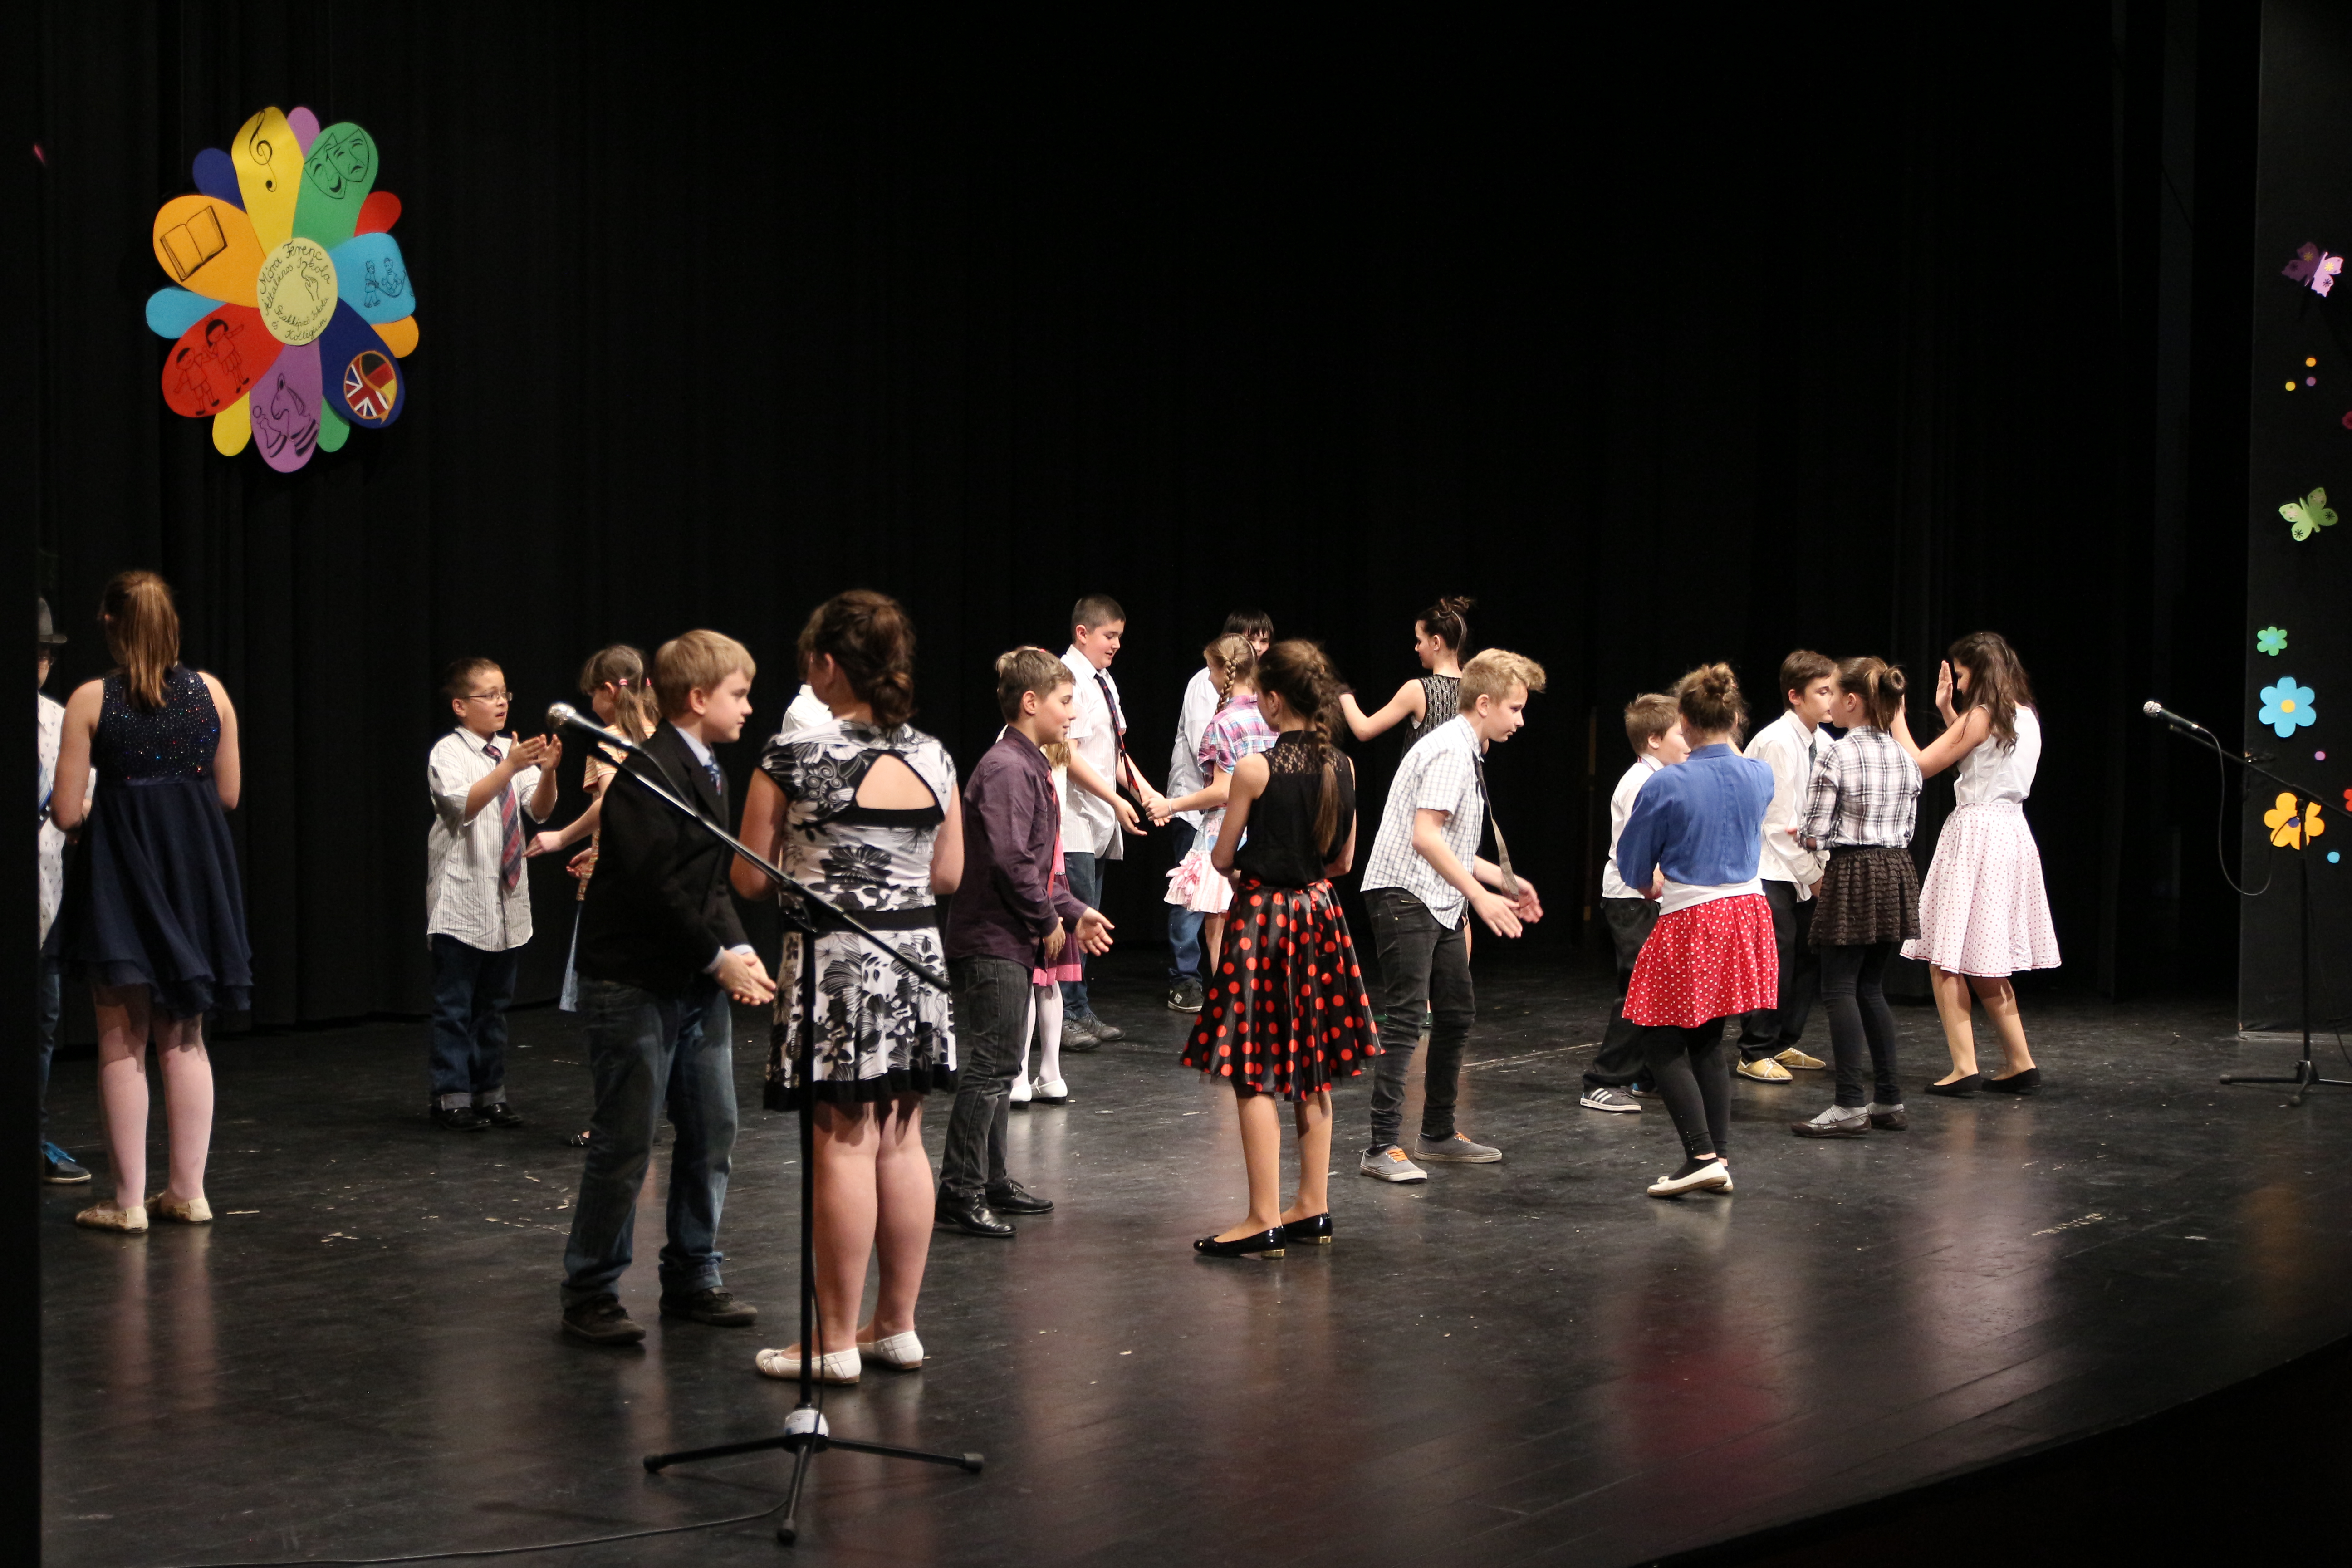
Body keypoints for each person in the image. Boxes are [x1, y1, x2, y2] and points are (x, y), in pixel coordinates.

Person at [734, 591, 963, 1385]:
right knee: (902, 1137)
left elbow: (747, 876)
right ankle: (895, 1327)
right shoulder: (934, 755)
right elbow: (948, 873)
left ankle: (831, 1341)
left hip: (839, 962)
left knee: (842, 1140)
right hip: (916, 960)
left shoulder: (794, 754)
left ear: (827, 664)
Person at [559, 630, 775, 1346]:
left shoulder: (708, 768)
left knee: (713, 1128)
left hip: (691, 981)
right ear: (698, 698)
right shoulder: (648, 773)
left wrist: (739, 948)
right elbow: (657, 891)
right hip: (634, 983)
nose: (749, 708)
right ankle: (591, 1290)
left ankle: (693, 1274)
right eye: (739, 694)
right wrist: (718, 960)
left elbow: (708, 883)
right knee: (626, 1141)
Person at [50, 572, 251, 1231]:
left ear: (111, 622)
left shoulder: (90, 700)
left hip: (121, 874)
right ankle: (189, 1193)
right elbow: (228, 795)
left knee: (121, 1038)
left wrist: (108, 810)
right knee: (185, 1033)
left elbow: (65, 812)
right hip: (194, 872)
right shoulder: (212, 694)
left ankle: (128, 1202)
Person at [1182, 640, 1377, 1257]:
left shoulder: (1255, 769)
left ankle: (1263, 1218)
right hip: (1320, 917)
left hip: (1265, 920)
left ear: (1270, 699)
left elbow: (1221, 857)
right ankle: (1312, 1206)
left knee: (1255, 1069)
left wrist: (1252, 868)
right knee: (1312, 1065)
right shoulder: (1344, 767)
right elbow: (1343, 862)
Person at [937, 647, 1115, 1239]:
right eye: (1066, 701)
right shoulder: (1007, 768)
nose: (1073, 713)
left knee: (1002, 1064)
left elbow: (1038, 866)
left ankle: (990, 1179)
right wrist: (1047, 920)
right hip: (992, 937)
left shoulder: (1031, 764)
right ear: (1031, 702)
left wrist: (1075, 912)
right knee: (992, 1066)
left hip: (1009, 935)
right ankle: (959, 1190)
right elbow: (1012, 862)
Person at [1356, 647, 1546, 1182]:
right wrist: (1479, 897)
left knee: (1456, 1012)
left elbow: (1450, 843)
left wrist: (1504, 881)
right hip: (1404, 893)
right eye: (1514, 709)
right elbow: (1425, 837)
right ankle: (1381, 1146)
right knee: (1407, 1018)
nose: (1520, 721)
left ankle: (1437, 1133)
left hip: (1434, 894)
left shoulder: (1466, 749)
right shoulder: (1448, 751)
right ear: (1484, 704)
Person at [1611, 663, 1777, 1198]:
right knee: (1707, 1037)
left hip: (1695, 915)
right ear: (1735, 718)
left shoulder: (1668, 783)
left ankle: (1702, 1156)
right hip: (1748, 912)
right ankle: (1717, 1158)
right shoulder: (1760, 774)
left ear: (1684, 721)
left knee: (1659, 1037)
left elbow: (1634, 863)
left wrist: (1647, 883)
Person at [1892, 632, 2059, 1094]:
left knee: (1945, 958)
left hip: (1977, 835)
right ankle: (2020, 1063)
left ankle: (1964, 1067)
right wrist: (1949, 712)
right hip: (2011, 832)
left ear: (1979, 672)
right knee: (1986, 962)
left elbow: (1920, 766)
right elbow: (1979, 758)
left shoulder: (1983, 715)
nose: (1960, 685)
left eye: (1963, 675)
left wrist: (1895, 718)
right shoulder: (2024, 715)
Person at [424, 657, 561, 1131]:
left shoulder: (511, 750)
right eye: (489, 695)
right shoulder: (448, 752)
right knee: (455, 1008)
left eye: (505, 693)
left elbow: (539, 811)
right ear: (461, 706)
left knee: (495, 1009)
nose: (501, 702)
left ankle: (490, 1093)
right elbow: (461, 804)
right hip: (461, 902)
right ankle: (451, 1096)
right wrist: (511, 767)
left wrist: (547, 772)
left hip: (506, 902)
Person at [1789, 658, 1922, 1138]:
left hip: (1854, 870)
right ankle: (1888, 1099)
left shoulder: (1837, 754)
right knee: (1871, 987)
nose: (1830, 703)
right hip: (1896, 871)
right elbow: (1907, 826)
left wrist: (1806, 834)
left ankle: (1849, 1104)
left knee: (1840, 988)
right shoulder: (1905, 755)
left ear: (1851, 700)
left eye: (1833, 694)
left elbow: (1815, 832)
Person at [1580, 693, 1688, 1115]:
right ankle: (1603, 1080)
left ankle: (1647, 1073)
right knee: (1639, 990)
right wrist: (1653, 876)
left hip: (1649, 897)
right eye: (1681, 733)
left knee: (1659, 989)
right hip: (1632, 898)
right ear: (1655, 739)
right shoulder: (1642, 781)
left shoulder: (1662, 778)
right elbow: (1636, 845)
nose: (1689, 741)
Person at [1058, 594, 1159, 1048]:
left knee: (1089, 918)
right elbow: (1069, 756)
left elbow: (1114, 753)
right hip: (1073, 820)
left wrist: (1145, 792)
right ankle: (1064, 1014)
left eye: (1119, 636)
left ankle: (1079, 1008)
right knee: (1075, 920)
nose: (1116, 644)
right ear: (1083, 633)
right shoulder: (1067, 679)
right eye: (1109, 636)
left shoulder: (1104, 681)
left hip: (1097, 818)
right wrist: (1116, 800)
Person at [1734, 651, 1838, 1084]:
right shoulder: (1777, 741)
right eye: (1823, 691)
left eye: (1834, 690)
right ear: (1796, 696)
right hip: (1770, 867)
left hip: (1807, 865)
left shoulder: (1825, 743)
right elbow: (1777, 824)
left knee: (1808, 957)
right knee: (1775, 957)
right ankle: (1755, 1049)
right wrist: (1814, 877)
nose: (1832, 699)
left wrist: (1820, 867)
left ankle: (1781, 1041)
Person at [1164, 608, 1272, 1014]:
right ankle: (1261, 1003)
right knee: (1258, 923)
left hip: (1225, 829)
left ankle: (1232, 1008)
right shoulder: (1270, 713)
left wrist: (1171, 804)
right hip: (1264, 826)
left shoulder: (1224, 722)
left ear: (1221, 670)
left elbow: (1221, 791)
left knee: (1219, 927)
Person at [36, 598, 89, 1184]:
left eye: (46, 654)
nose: (41, 663)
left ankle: (32, 1137)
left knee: (41, 1024)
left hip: (43, 902)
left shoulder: (58, 721)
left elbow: (84, 796)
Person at [1010, 732, 1083, 1110]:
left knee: (1031, 976)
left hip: (1037, 877)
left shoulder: (1023, 753)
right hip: (1055, 872)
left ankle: (1020, 1076)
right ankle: (1051, 1074)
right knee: (1048, 977)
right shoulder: (1052, 750)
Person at [1339, 595, 1473, 750]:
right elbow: (1484, 746)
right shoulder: (1473, 690)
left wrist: (1343, 692)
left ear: (1436, 643)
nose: (1416, 648)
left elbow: (1364, 730)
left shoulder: (1418, 690)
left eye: (1419, 641)